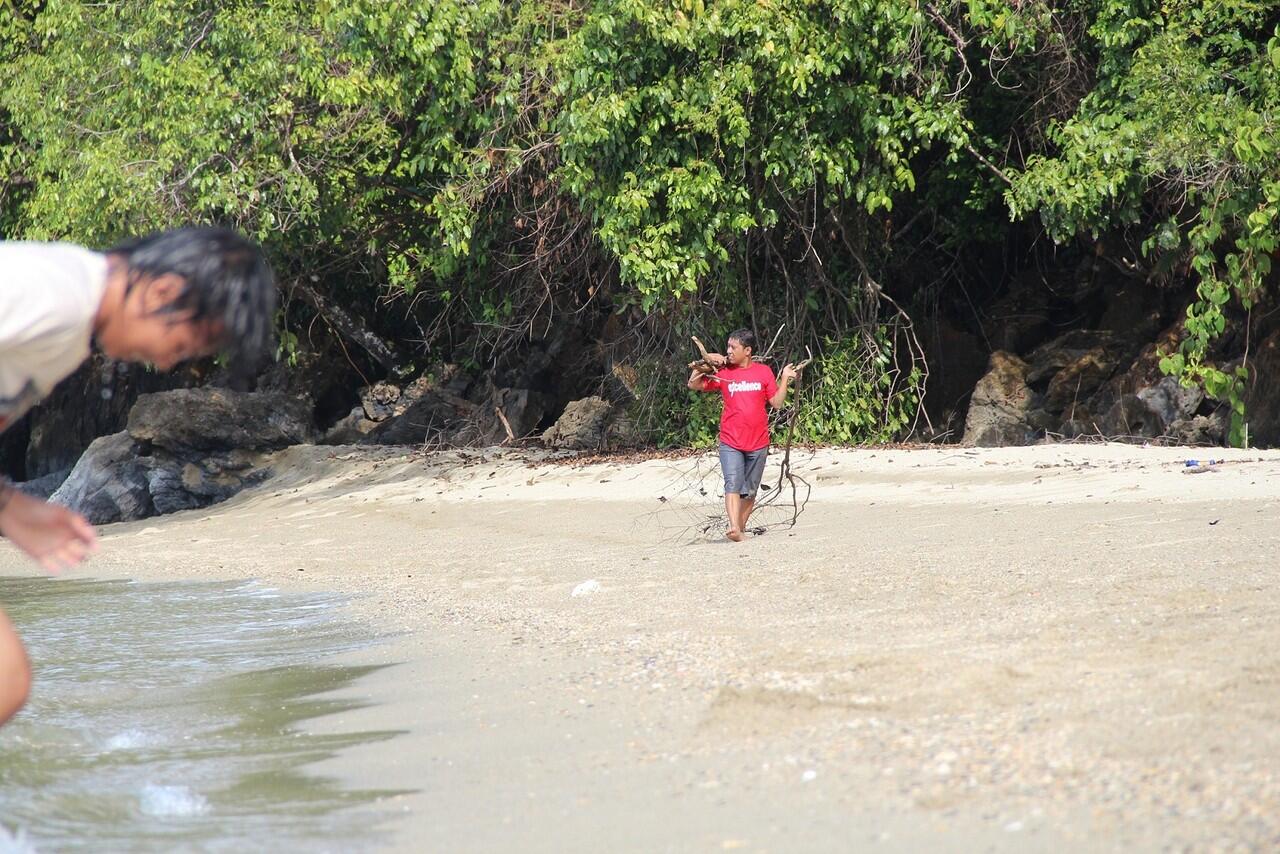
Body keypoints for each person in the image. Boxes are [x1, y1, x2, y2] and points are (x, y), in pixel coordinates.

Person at [0, 227, 275, 724]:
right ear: (162, 291)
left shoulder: (71, 330)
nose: (169, 361)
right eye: (184, 343)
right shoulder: (51, 294)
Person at [687, 328, 797, 542]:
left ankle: (740, 529)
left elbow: (776, 403)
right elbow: (693, 384)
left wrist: (784, 378)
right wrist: (705, 364)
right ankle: (734, 526)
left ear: (747, 351)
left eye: (733, 347)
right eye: (727, 346)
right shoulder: (724, 372)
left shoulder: (763, 372)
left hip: (758, 443)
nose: (728, 351)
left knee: (750, 491)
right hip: (731, 441)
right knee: (733, 483)